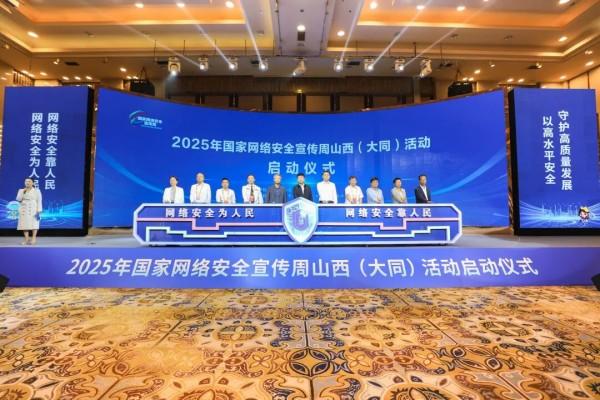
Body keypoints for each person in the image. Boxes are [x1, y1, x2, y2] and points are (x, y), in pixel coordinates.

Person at [16, 177, 42, 245]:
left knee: (34, 224)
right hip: (24, 208)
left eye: (29, 181)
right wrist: (23, 192)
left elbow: (39, 201)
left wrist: (39, 211)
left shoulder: (37, 191)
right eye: (26, 181)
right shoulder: (21, 190)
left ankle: (33, 238)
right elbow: (18, 199)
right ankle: (26, 239)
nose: (27, 183)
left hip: (33, 208)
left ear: (33, 183)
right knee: (24, 224)